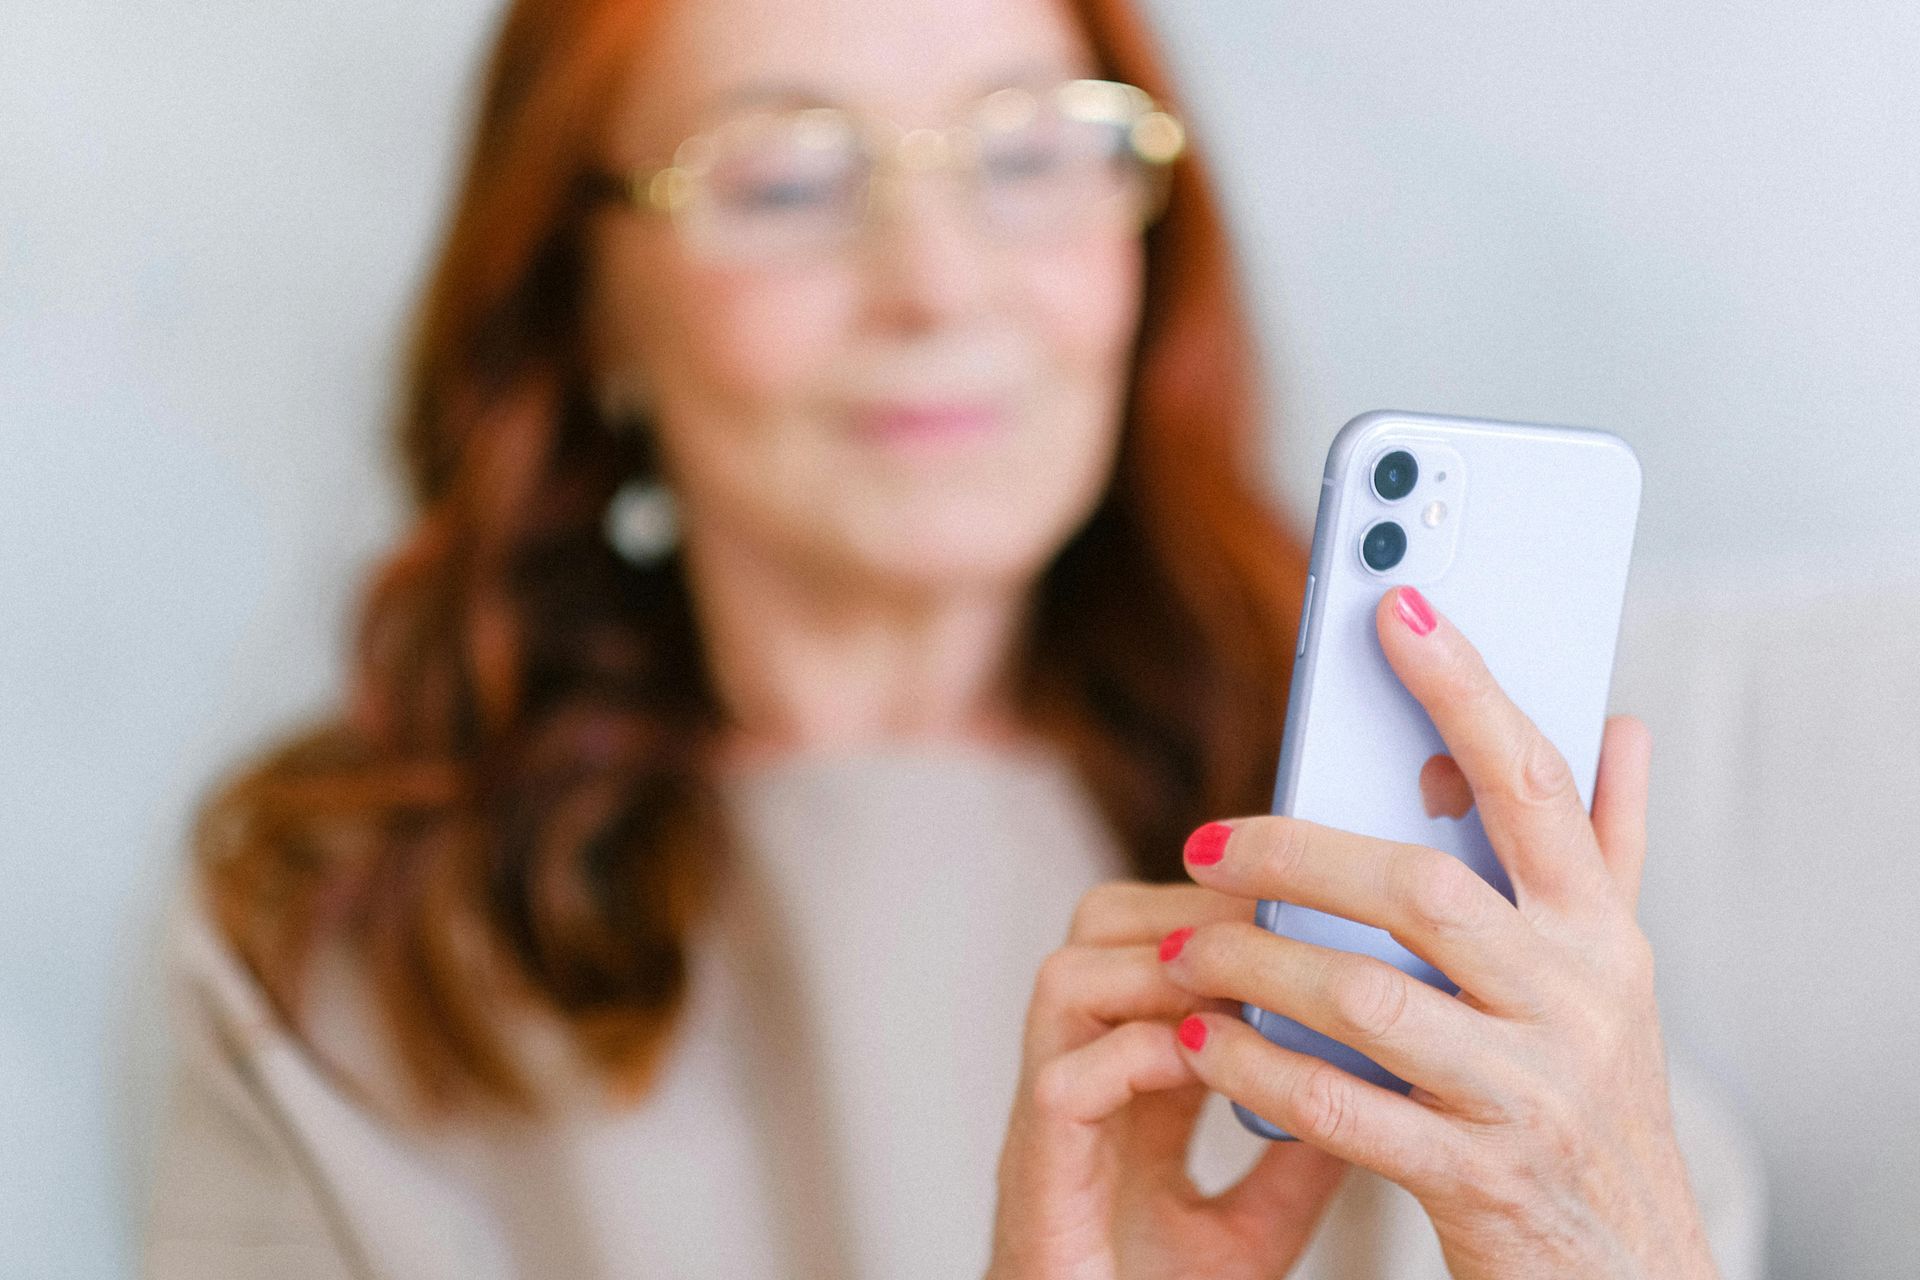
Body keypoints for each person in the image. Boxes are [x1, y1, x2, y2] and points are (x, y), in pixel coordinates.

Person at [142, 0, 1761, 1275]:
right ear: (584, 311)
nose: (936, 282)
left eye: (1035, 153)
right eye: (782, 176)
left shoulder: (1439, 852)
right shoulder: (332, 936)